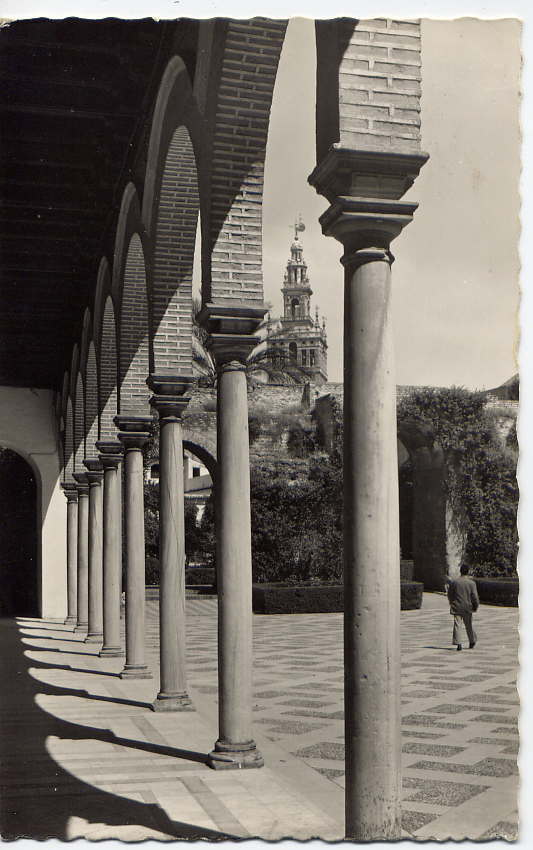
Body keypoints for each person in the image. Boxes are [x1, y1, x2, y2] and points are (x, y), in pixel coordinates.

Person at [447, 564, 480, 651]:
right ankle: (472, 641)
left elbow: (450, 594)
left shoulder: (454, 582)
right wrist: (476, 605)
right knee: (469, 625)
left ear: (460, 571)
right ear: (468, 571)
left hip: (457, 606)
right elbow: (475, 596)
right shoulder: (471, 583)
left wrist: (451, 602)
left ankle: (458, 643)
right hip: (468, 607)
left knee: (457, 625)